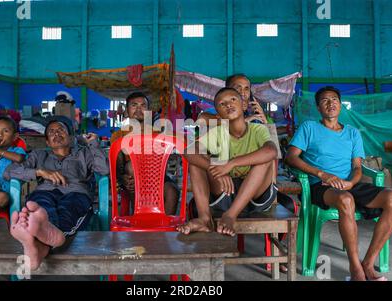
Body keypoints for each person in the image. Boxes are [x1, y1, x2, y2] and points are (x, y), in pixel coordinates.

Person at [285, 86, 392, 281]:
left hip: (349, 185)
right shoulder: (309, 128)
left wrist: (350, 183)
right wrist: (322, 174)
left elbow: (357, 168)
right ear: (318, 107)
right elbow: (291, 158)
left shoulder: (353, 133)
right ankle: (356, 268)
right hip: (320, 186)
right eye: (325, 100)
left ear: (340, 105)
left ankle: (368, 263)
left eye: (334, 100)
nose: (331, 103)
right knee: (346, 200)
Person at [4, 116, 109, 270]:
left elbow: (104, 170)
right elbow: (9, 172)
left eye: (61, 130)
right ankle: (47, 238)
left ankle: (37, 245)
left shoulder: (84, 154)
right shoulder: (39, 155)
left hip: (76, 193)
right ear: (47, 141)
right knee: (41, 206)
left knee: (68, 210)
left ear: (71, 137)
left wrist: (93, 143)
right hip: (44, 191)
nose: (56, 134)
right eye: (51, 132)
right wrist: (39, 172)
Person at [177, 87, 278, 237]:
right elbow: (189, 151)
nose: (228, 105)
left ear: (243, 105)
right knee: (196, 163)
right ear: (218, 115)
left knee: (264, 159)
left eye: (233, 100)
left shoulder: (258, 130)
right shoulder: (217, 133)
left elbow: (272, 151)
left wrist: (231, 164)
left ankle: (230, 215)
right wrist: (215, 168)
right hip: (226, 192)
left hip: (255, 196)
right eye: (222, 104)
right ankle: (205, 219)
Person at [110, 92, 180, 215]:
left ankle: (166, 229)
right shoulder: (118, 135)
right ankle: (140, 216)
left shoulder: (159, 133)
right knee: (131, 167)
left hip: (158, 178)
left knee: (172, 191)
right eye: (134, 105)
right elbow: (117, 164)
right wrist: (122, 179)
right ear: (126, 110)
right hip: (133, 181)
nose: (138, 109)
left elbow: (170, 152)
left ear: (148, 111)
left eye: (143, 106)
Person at [198, 74, 274, 127]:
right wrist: (241, 122)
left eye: (246, 88)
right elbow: (202, 119)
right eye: (238, 88)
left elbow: (272, 145)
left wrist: (265, 122)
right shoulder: (222, 110)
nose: (243, 93)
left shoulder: (254, 116)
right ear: (227, 90)